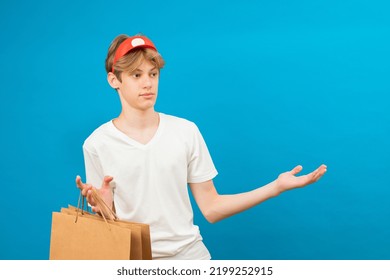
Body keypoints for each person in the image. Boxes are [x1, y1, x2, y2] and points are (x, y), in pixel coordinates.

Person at [76, 34, 327, 260]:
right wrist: (105, 208)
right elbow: (106, 230)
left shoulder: (185, 131)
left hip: (191, 259)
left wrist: (276, 187)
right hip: (134, 264)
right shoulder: (97, 144)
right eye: (136, 75)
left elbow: (212, 208)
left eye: (153, 74)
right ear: (114, 80)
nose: (148, 83)